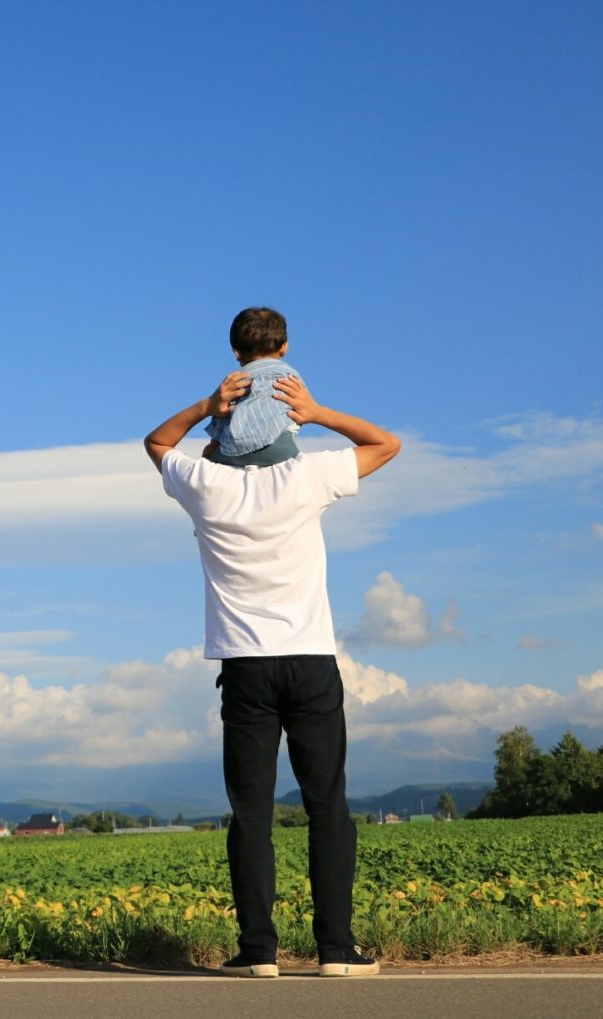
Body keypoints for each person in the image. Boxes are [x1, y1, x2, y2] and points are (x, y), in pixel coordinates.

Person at [143, 307, 400, 979]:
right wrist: (315, 412)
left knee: (251, 813)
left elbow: (155, 442)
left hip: (245, 669)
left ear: (235, 360)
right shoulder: (304, 476)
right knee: (328, 807)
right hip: (311, 661)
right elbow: (386, 444)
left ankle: (259, 952)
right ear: (282, 352)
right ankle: (336, 951)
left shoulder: (208, 484)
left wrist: (206, 403)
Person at [205, 307, 302, 468]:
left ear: (237, 352)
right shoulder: (290, 376)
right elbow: (302, 410)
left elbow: (220, 414)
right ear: (284, 347)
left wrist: (212, 446)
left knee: (211, 457)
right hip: (279, 450)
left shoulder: (234, 381)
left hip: (232, 452)